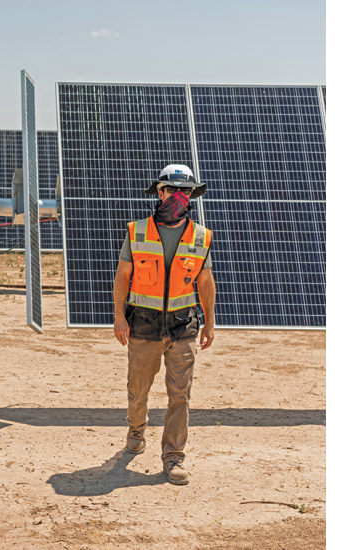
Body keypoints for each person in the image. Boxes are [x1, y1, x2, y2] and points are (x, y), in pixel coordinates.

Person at [112, 164, 216, 486]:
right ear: (159, 192)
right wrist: (118, 317)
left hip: (182, 327)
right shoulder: (137, 231)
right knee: (138, 390)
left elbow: (205, 281)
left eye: (184, 191)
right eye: (171, 190)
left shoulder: (201, 236)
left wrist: (209, 323)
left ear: (191, 196)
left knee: (180, 395)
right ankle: (136, 428)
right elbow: (123, 276)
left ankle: (173, 457)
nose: (177, 196)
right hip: (143, 325)